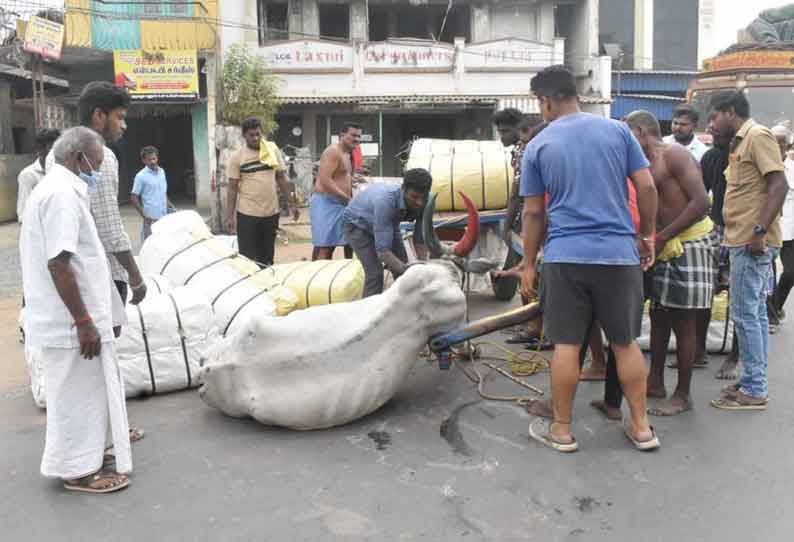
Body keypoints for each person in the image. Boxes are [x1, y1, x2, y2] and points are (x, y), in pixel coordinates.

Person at [520, 65, 659, 452]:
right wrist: (645, 234)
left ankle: (562, 431)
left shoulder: (538, 145)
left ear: (545, 100)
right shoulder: (617, 130)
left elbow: (533, 213)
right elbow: (646, 186)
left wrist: (529, 264)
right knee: (625, 343)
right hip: (618, 254)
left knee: (566, 344)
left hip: (566, 257)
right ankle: (642, 428)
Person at [20, 127, 132, 494]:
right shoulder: (60, 196)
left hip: (75, 320)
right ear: (76, 157)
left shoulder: (62, 191)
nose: (97, 170)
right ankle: (76, 471)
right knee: (73, 394)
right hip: (70, 324)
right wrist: (83, 322)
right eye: (95, 163)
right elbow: (59, 264)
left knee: (88, 392)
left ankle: (88, 456)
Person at [46, 81, 147, 443]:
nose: (124, 125)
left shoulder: (57, 154)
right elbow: (109, 226)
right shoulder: (99, 157)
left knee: (89, 354)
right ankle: (107, 430)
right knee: (103, 350)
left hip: (75, 272)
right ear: (99, 116)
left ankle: (105, 427)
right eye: (119, 117)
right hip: (100, 272)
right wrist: (135, 277)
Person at [626, 110, 713, 416]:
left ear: (639, 131)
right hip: (660, 243)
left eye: (628, 133)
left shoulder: (674, 155)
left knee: (684, 321)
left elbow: (701, 203)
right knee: (659, 316)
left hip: (688, 242)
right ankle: (656, 381)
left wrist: (662, 237)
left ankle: (683, 393)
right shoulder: (639, 163)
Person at [708, 91, 788, 411]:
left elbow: (778, 185)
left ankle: (755, 388)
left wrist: (759, 231)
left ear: (730, 112)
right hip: (741, 239)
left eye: (715, 116)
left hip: (751, 242)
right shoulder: (740, 143)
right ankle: (753, 380)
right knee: (752, 315)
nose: (712, 124)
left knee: (746, 315)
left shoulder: (757, 136)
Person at [343, 168, 430, 297]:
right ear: (403, 189)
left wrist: (423, 268)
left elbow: (419, 240)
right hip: (357, 225)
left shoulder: (427, 200)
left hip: (387, 222)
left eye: (423, 197)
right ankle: (369, 313)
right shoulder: (385, 201)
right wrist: (407, 271)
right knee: (375, 273)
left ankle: (402, 308)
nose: (419, 202)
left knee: (402, 267)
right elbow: (383, 251)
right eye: (414, 197)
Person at [700, 113, 741, 380]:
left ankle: (735, 356)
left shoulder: (743, 154)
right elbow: (699, 192)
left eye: (716, 123)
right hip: (715, 230)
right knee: (707, 290)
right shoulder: (710, 157)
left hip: (740, 232)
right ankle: (697, 350)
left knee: (738, 297)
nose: (711, 128)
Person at [226, 117, 299, 266]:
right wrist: (230, 217)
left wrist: (292, 204)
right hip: (247, 215)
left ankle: (266, 286)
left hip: (271, 213)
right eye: (251, 135)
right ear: (244, 136)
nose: (256, 138)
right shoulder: (237, 157)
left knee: (267, 257)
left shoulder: (272, 150)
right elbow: (232, 188)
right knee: (247, 260)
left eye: (258, 134)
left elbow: (281, 178)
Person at [312, 123, 362, 260]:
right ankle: (319, 278)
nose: (356, 139)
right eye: (353, 135)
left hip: (341, 203)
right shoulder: (333, 151)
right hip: (326, 202)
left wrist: (353, 179)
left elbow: (341, 175)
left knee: (348, 242)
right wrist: (345, 197)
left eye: (359, 136)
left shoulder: (348, 153)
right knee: (325, 246)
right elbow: (324, 180)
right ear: (342, 136)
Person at [772, 125, 794, 322]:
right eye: (775, 140)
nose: (778, 145)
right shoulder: (760, 164)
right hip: (767, 229)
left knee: (790, 273)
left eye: (782, 141)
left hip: (790, 230)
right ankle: (769, 314)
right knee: (766, 277)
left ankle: (776, 307)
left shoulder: (793, 169)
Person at [131, 146, 174, 241]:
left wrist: (170, 205)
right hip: (151, 218)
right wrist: (144, 215)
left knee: (164, 241)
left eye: (154, 158)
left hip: (164, 215)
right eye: (149, 160)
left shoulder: (162, 172)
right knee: (150, 243)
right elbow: (134, 197)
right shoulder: (140, 176)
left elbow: (163, 192)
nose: (152, 161)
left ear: (157, 158)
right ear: (144, 161)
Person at [17, 129, 60, 223]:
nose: (54, 153)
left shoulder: (62, 172)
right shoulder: (28, 175)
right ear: (39, 149)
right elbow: (23, 212)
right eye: (50, 149)